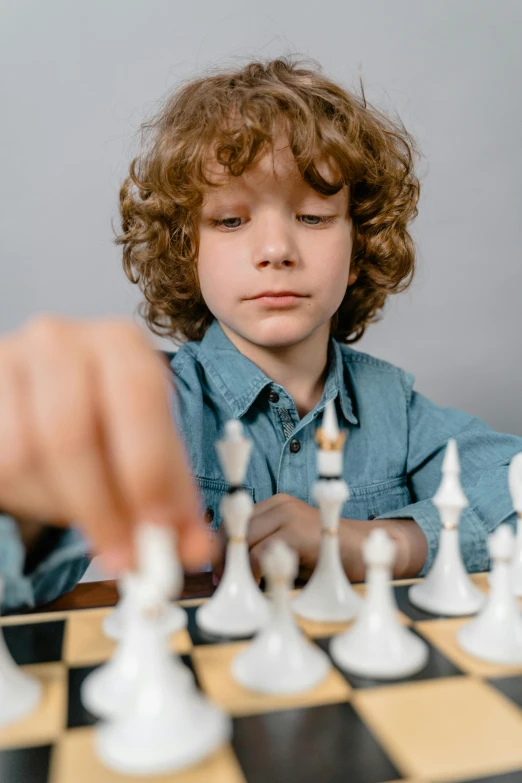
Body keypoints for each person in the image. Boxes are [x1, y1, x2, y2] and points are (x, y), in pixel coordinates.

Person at [0, 56, 520, 613]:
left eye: (314, 217)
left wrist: (375, 543)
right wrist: (27, 506)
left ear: (358, 248)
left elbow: (509, 490)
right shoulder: (151, 407)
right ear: (187, 252)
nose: (276, 250)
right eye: (230, 220)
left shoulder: (400, 414)